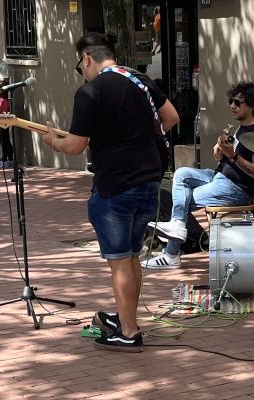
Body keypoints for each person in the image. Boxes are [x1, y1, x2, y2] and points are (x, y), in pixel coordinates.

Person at [40, 32, 178, 352]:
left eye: (81, 67)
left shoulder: (91, 91)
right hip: (149, 182)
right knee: (132, 256)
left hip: (116, 186)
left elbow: (75, 146)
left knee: (119, 261)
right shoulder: (141, 80)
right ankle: (128, 319)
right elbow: (171, 118)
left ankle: (128, 332)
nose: (83, 72)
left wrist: (53, 142)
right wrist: (139, 136)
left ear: (86, 58)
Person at [144, 81, 254, 269]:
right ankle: (178, 229)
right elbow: (227, 157)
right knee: (182, 173)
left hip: (236, 188)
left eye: (237, 102)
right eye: (230, 101)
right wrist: (221, 151)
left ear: (251, 105)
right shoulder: (241, 127)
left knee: (181, 199)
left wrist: (233, 156)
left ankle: (172, 253)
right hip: (220, 177)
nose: (232, 106)